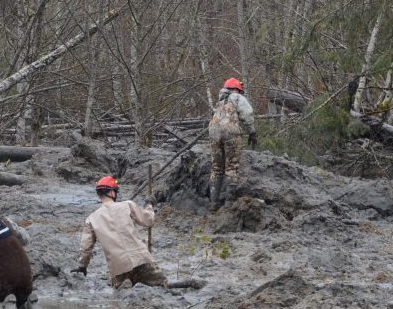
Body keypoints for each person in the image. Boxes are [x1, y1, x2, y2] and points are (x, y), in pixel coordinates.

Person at [72, 176, 202, 291]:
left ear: (100, 194)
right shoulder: (127, 205)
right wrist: (149, 205)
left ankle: (126, 286)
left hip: (118, 268)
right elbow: (148, 221)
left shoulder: (91, 219)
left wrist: (82, 267)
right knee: (164, 285)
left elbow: (86, 248)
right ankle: (189, 283)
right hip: (142, 259)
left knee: (121, 292)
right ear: (112, 192)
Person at [208, 78, 257, 208]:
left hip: (213, 132)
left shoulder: (219, 102)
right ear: (236, 89)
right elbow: (247, 113)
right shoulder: (236, 97)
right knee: (231, 166)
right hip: (230, 131)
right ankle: (229, 204)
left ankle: (213, 203)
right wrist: (252, 132)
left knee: (216, 168)